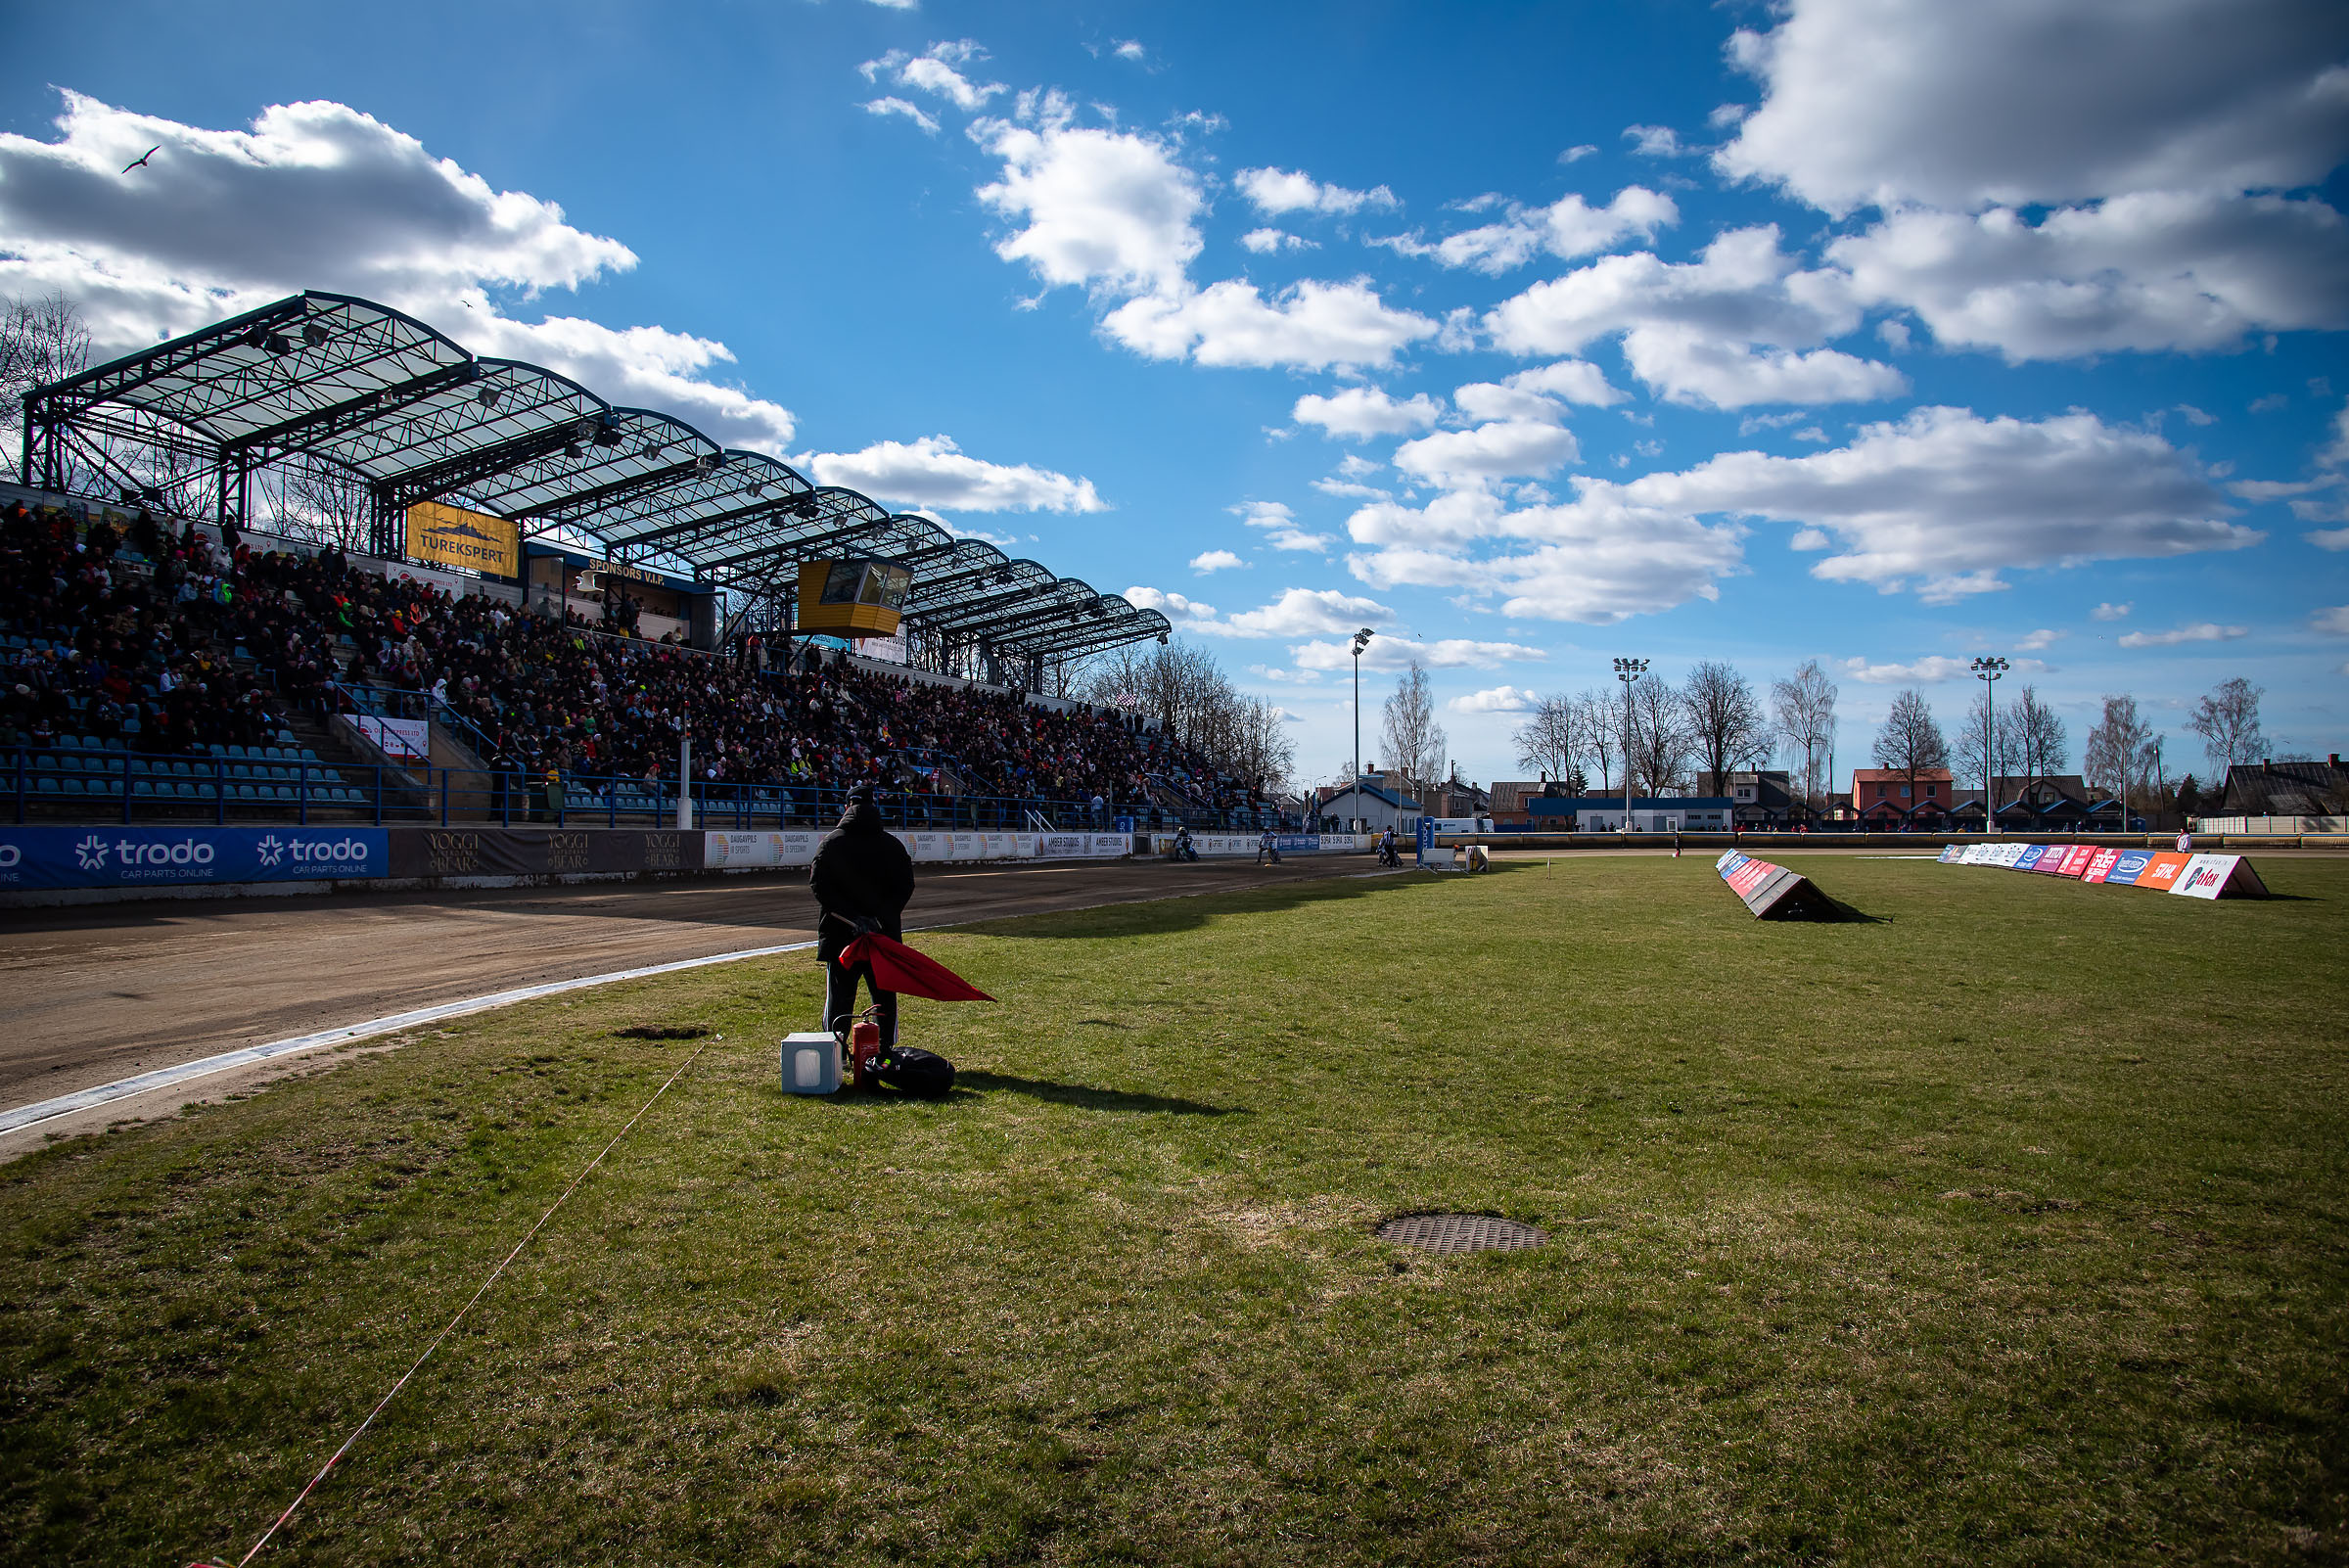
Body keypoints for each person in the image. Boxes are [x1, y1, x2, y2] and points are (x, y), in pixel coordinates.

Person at [811, 783, 917, 1046]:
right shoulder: (892, 846)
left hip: (840, 935)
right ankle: (886, 1052)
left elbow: (819, 886)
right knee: (884, 998)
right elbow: (905, 886)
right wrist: (879, 919)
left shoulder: (830, 844)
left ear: (847, 808)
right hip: (882, 937)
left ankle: (834, 1051)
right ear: (874, 806)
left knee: (838, 999)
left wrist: (850, 917)